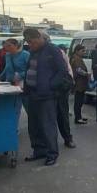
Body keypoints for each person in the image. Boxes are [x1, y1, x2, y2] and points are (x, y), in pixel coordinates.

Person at [23, 28, 68, 166]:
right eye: (28, 42)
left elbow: (62, 71)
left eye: (32, 42)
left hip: (47, 95)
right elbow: (30, 69)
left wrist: (50, 85)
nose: (30, 45)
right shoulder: (33, 51)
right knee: (34, 125)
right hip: (32, 93)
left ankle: (52, 153)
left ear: (39, 38)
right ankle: (39, 151)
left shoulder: (52, 50)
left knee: (48, 125)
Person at [0, 38, 30, 124]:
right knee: (14, 106)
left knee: (28, 106)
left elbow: (30, 69)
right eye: (6, 46)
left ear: (16, 45)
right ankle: (13, 126)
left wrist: (20, 75)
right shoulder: (8, 55)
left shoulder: (25, 54)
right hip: (11, 85)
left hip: (24, 84)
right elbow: (7, 68)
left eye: (9, 45)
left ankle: (35, 124)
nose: (7, 48)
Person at [57, 44, 77, 149]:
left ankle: (68, 139)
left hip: (59, 89)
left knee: (62, 116)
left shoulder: (58, 53)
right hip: (44, 91)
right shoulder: (36, 53)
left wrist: (68, 83)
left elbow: (67, 69)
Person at [70, 44, 90, 125]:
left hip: (81, 83)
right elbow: (78, 70)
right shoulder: (76, 59)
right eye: (82, 51)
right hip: (79, 83)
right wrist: (86, 73)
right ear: (77, 51)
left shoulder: (77, 58)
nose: (84, 53)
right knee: (78, 101)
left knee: (80, 101)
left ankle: (79, 117)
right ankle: (78, 118)